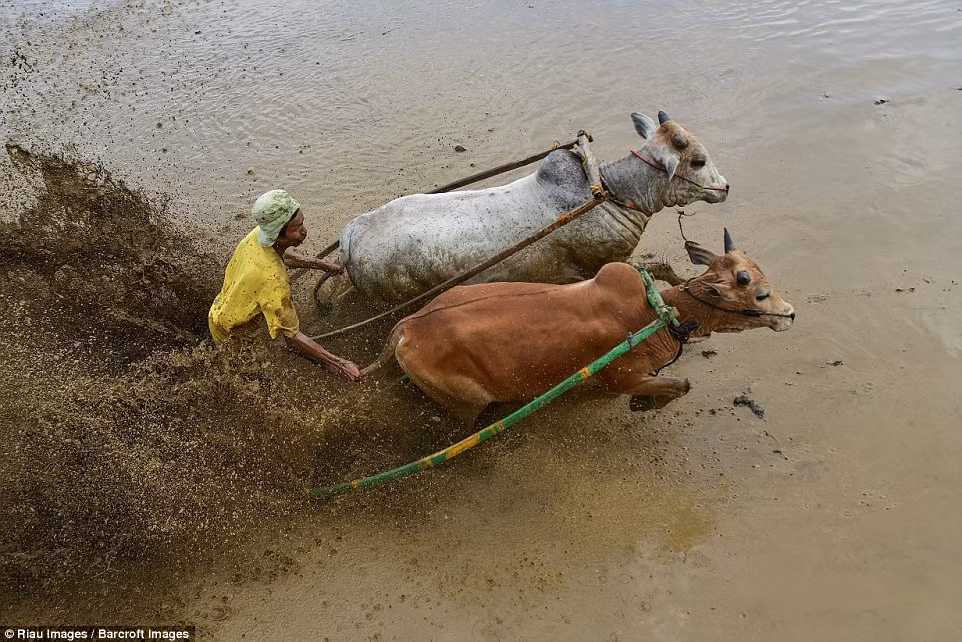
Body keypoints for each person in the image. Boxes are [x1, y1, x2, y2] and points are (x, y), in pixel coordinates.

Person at [208, 189, 361, 381]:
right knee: (256, 378)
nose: (304, 231)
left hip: (223, 305)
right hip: (232, 333)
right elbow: (293, 339)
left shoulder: (259, 235)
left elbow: (282, 256)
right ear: (278, 235)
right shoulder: (274, 281)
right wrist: (340, 365)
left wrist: (319, 264)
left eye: (302, 222)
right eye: (296, 228)